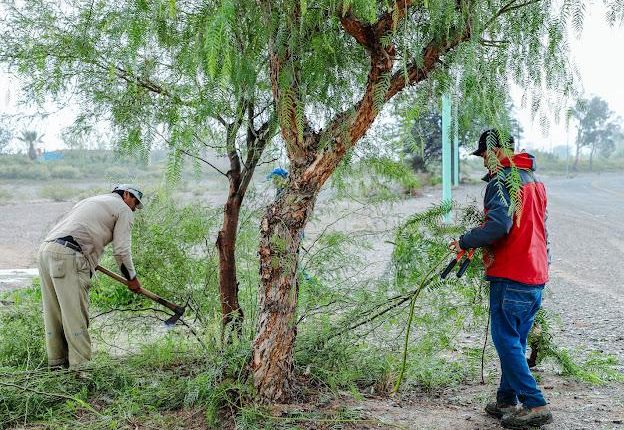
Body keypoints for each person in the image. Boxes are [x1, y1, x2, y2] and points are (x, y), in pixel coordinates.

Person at [449, 129, 552, 429]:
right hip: (536, 274)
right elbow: (542, 229)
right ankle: (507, 399)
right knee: (515, 341)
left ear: (494, 151)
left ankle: (535, 404)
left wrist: (465, 241)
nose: (484, 162)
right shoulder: (534, 181)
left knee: (506, 341)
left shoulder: (501, 181)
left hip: (511, 274)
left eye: (483, 155)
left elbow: (498, 226)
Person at [37, 184, 145, 369]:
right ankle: (80, 370)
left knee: (53, 314)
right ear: (127, 195)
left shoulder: (92, 201)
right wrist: (132, 278)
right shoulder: (123, 209)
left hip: (46, 251)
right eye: (135, 202)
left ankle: (56, 366)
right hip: (70, 254)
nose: (134, 208)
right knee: (76, 315)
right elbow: (121, 251)